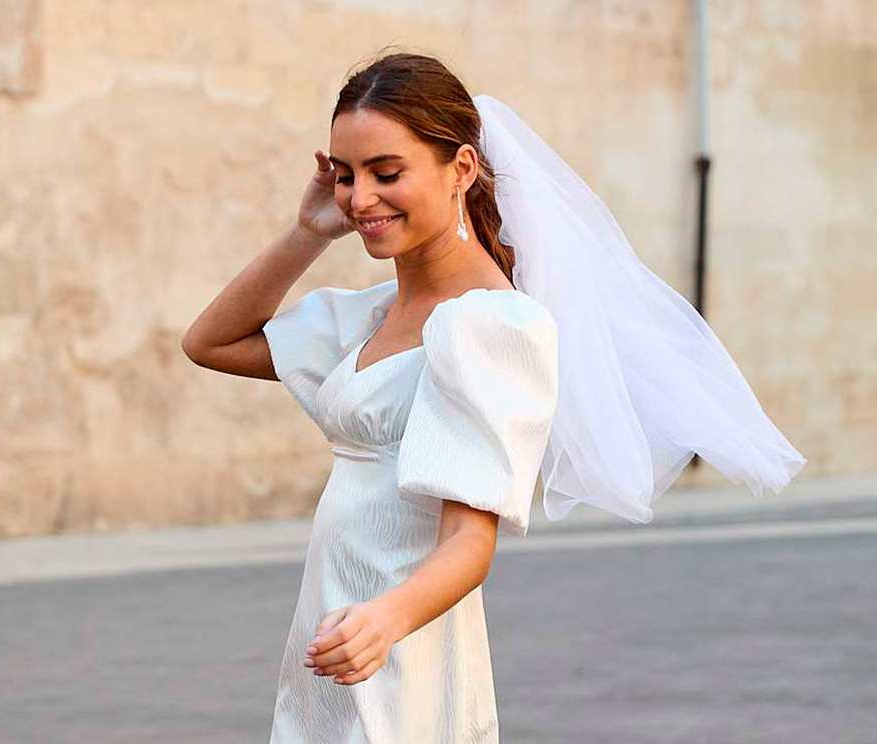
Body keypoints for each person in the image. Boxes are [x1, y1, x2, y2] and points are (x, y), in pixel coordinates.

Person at [183, 50, 805, 744]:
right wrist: (305, 234)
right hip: (332, 634)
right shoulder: (369, 317)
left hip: (400, 647)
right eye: (347, 175)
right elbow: (209, 342)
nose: (360, 199)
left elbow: (468, 543)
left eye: (388, 173)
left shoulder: (490, 327)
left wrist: (384, 622)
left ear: (463, 170)